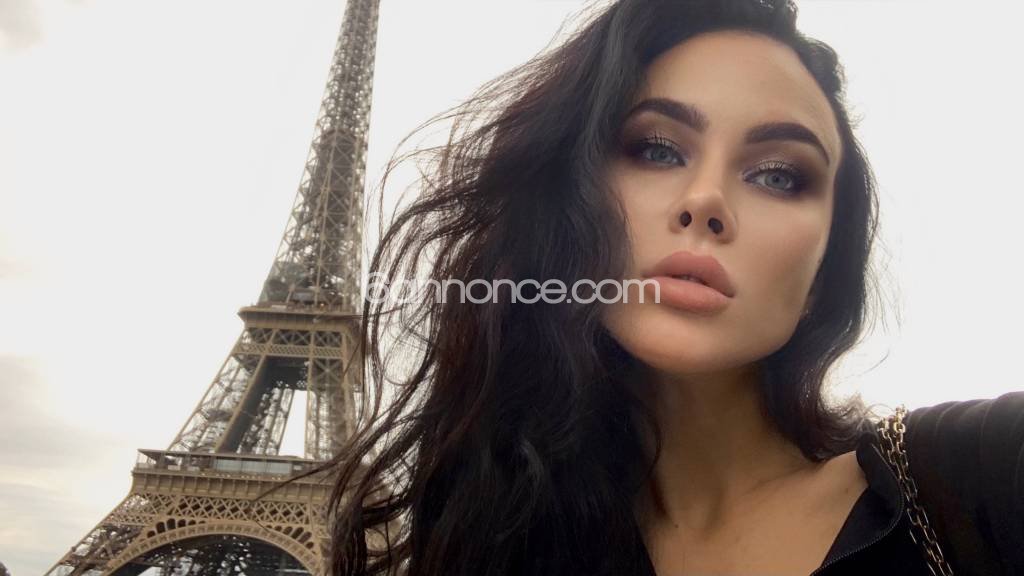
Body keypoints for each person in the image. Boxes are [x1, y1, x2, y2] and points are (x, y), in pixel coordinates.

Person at [323, 1, 1024, 574]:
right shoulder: (495, 543)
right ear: (569, 209)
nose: (705, 200)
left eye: (779, 175)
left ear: (821, 277)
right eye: (656, 149)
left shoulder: (982, 478)